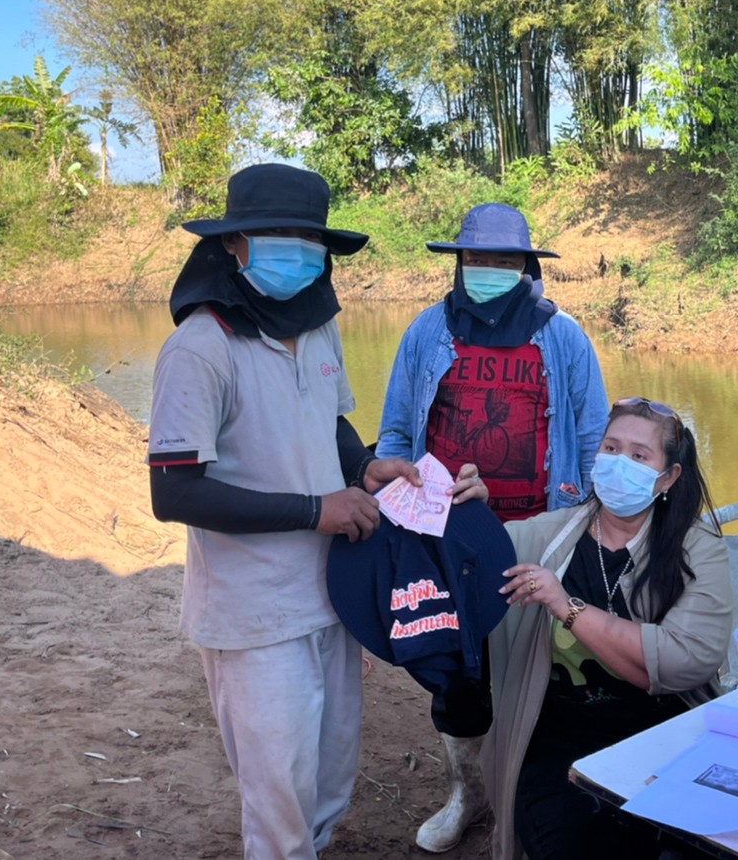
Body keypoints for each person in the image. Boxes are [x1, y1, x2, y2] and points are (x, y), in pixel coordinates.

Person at [146, 163, 486, 859]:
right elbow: (174, 493)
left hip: (332, 593)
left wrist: (363, 467)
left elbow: (329, 423)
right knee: (279, 791)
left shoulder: (319, 326)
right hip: (254, 611)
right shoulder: (200, 348)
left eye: (309, 239)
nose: (297, 253)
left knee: (330, 770)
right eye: (278, 236)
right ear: (233, 244)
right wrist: (314, 510)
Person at [375, 202, 610, 851]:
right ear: (458, 264)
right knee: (458, 677)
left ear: (527, 267)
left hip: (541, 539)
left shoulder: (563, 339)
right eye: (476, 259)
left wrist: (595, 530)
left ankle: (527, 799)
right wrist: (399, 491)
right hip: (448, 542)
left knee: (539, 677)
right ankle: (468, 793)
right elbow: (394, 432)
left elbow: (595, 442)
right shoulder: (427, 333)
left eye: (503, 260)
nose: (487, 270)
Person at [483, 397, 732, 860]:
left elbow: (682, 662)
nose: (620, 464)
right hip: (560, 746)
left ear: (668, 477)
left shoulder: (697, 551)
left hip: (665, 736)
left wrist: (567, 607)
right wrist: (467, 515)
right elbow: (472, 561)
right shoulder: (542, 539)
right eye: (611, 449)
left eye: (639, 456)